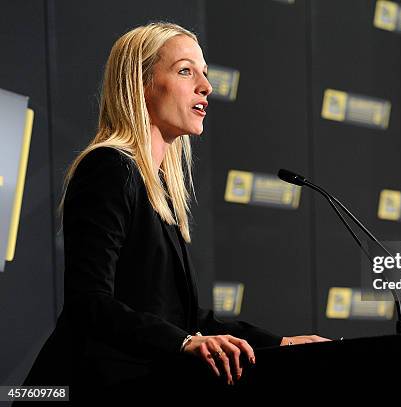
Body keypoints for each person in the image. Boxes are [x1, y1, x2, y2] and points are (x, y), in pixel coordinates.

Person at [22, 22, 328, 400]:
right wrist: (182, 343)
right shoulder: (109, 167)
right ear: (141, 83)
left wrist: (279, 343)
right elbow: (89, 303)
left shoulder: (159, 185)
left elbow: (177, 317)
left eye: (205, 73)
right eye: (186, 70)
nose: (206, 86)